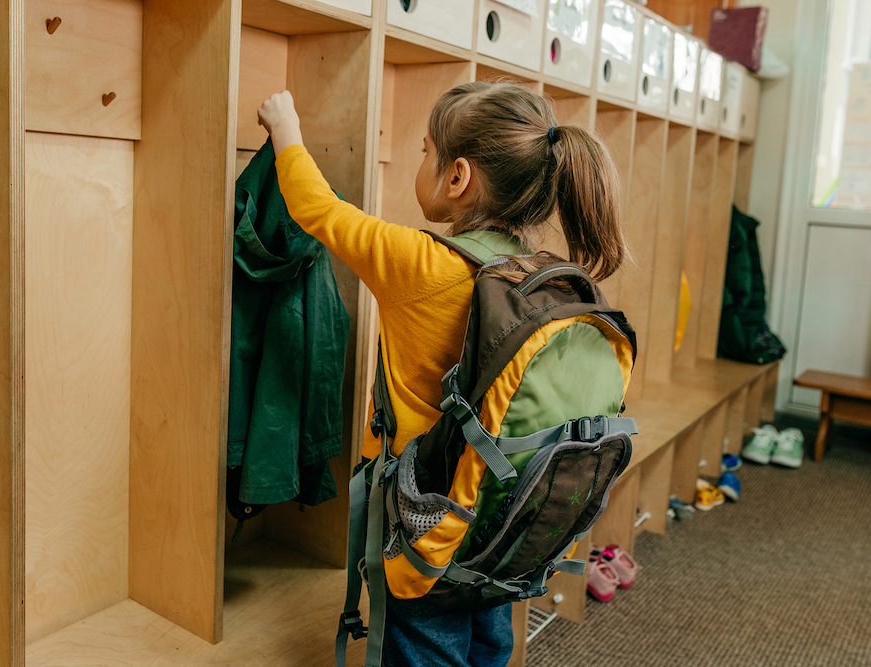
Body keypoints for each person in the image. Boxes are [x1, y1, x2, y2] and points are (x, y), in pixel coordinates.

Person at [257, 81, 626, 667]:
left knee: (427, 644)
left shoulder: (418, 264)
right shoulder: (547, 278)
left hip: (430, 522)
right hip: (506, 522)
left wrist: (285, 130)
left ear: (457, 177)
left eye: (425, 151)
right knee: (489, 640)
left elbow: (319, 209)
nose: (420, 162)